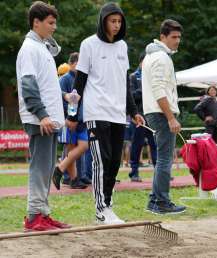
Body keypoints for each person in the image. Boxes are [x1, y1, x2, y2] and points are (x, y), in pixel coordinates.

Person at [67, 2, 144, 224]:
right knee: (102, 160)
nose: (116, 25)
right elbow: (78, 84)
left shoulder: (122, 47)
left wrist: (134, 111)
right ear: (103, 21)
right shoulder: (88, 45)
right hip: (96, 111)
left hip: (118, 113)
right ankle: (101, 208)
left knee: (114, 163)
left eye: (119, 21)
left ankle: (108, 205)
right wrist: (73, 115)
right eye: (112, 21)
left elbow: (125, 84)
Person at [17, 1, 71, 231]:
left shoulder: (42, 47)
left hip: (49, 119)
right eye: (50, 23)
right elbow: (28, 87)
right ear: (36, 22)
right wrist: (42, 115)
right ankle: (33, 216)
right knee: (39, 169)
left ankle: (43, 213)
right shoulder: (29, 48)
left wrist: (64, 96)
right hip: (40, 120)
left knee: (47, 169)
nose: (54, 27)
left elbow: (45, 86)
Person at [142, 19, 186, 214]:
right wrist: (170, 117)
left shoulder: (154, 56)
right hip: (160, 113)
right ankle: (161, 201)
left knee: (163, 158)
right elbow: (159, 89)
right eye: (174, 37)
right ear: (163, 37)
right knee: (164, 159)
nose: (177, 41)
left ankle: (155, 199)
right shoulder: (161, 57)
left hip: (156, 111)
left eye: (179, 37)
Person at [52, 52, 88, 190]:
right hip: (68, 119)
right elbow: (61, 98)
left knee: (81, 147)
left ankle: (61, 170)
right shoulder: (65, 79)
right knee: (73, 148)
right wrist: (70, 116)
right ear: (73, 63)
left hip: (81, 119)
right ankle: (72, 178)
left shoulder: (83, 78)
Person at [129, 52, 158, 182]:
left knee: (155, 143)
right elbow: (131, 96)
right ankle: (134, 172)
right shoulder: (133, 77)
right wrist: (144, 90)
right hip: (138, 116)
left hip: (152, 115)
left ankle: (159, 172)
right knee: (137, 144)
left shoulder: (153, 77)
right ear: (141, 62)